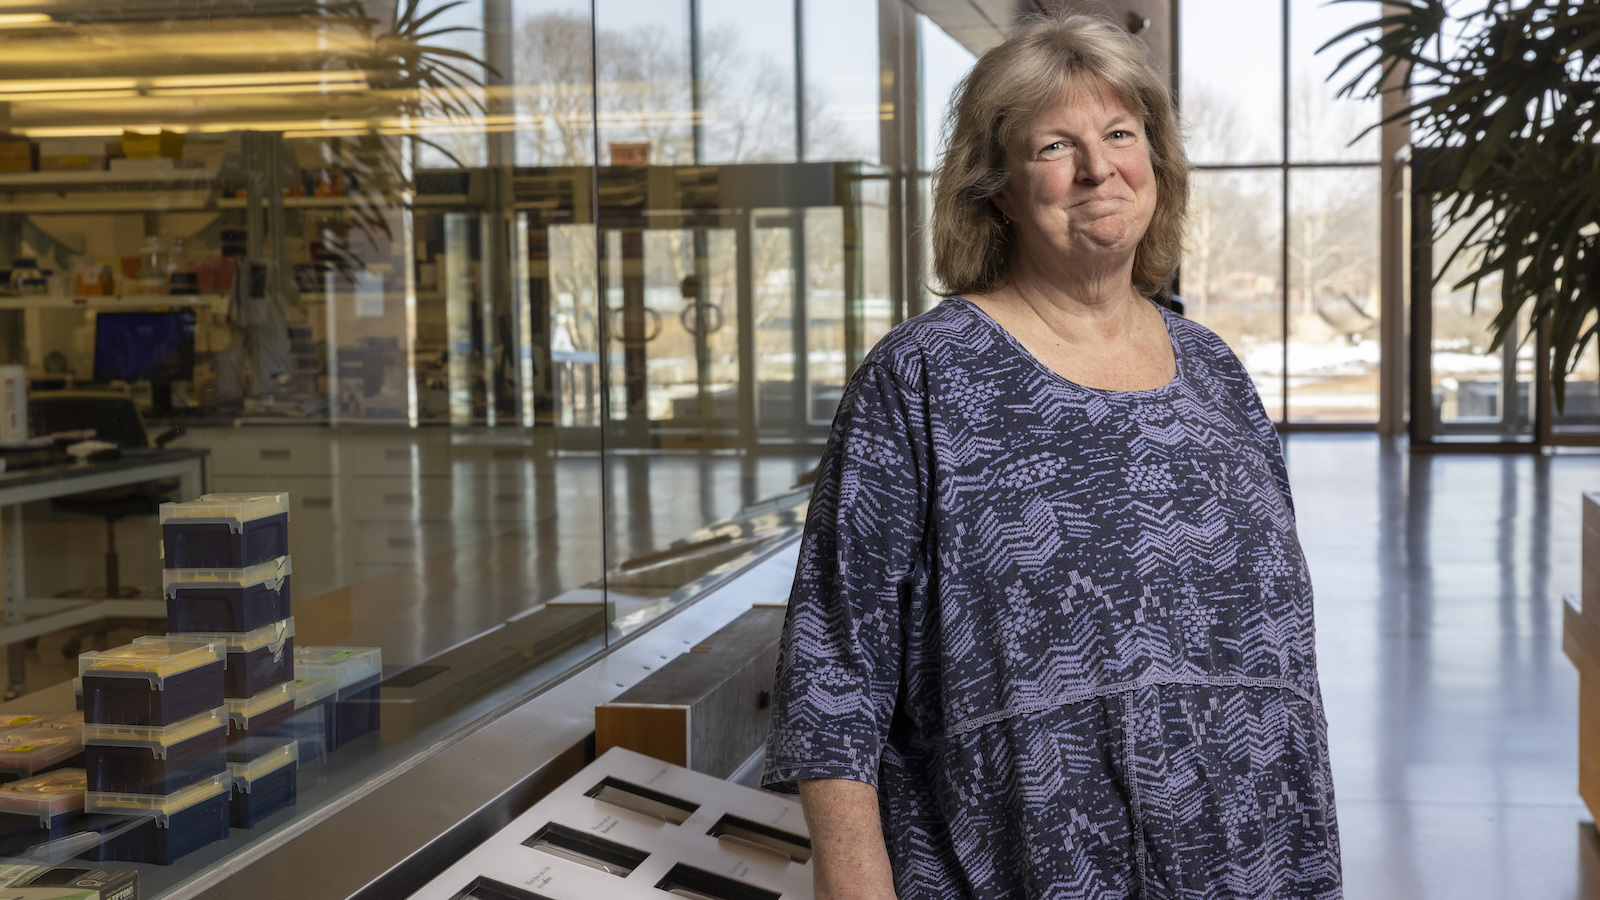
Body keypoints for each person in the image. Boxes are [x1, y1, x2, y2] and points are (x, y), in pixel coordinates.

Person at [762, 12, 1340, 900]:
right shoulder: (924, 377)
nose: (1098, 168)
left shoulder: (1217, 373)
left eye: (1120, 134)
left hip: (1251, 862)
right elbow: (835, 664)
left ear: (1157, 161)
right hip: (1015, 866)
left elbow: (1284, 653)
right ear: (995, 187)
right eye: (1054, 147)